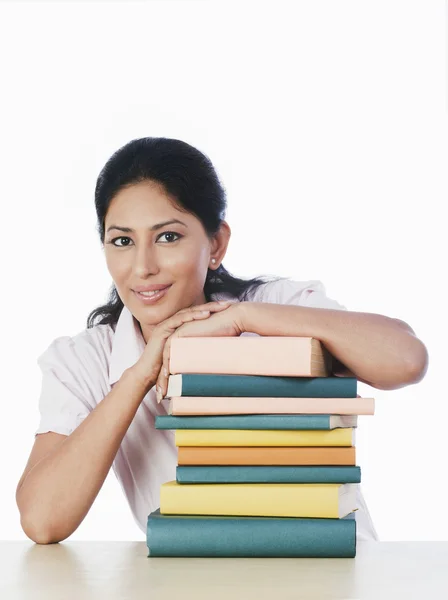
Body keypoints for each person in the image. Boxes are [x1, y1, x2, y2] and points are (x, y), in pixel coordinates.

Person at [16, 137, 428, 545]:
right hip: (201, 584)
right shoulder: (84, 359)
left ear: (216, 244)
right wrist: (139, 375)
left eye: (167, 237)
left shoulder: (276, 306)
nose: (143, 267)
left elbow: (406, 360)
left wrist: (243, 318)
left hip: (337, 574)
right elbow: (43, 520)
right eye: (122, 241)